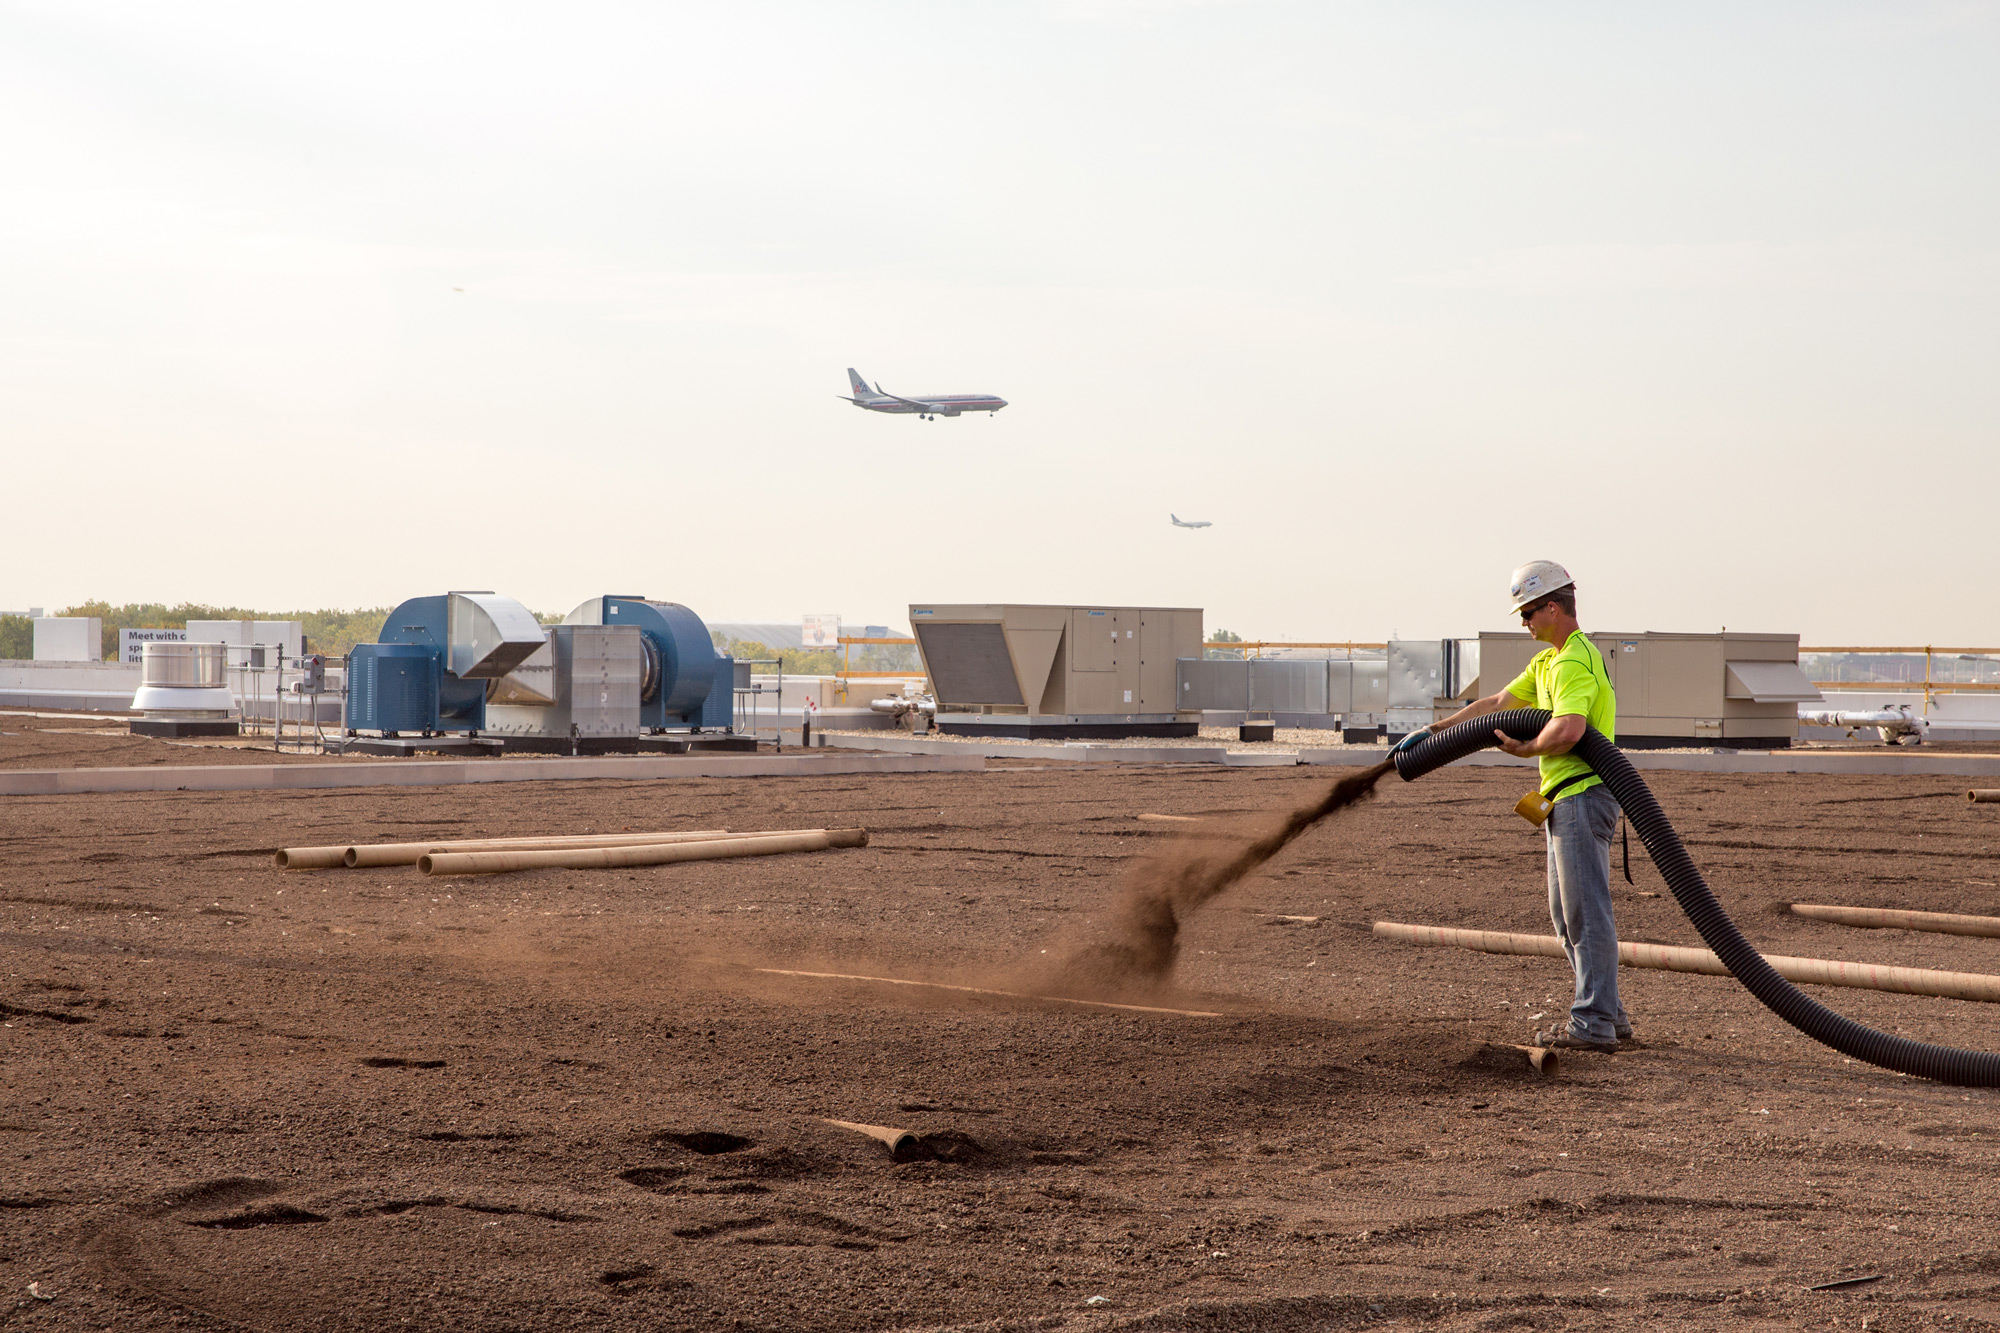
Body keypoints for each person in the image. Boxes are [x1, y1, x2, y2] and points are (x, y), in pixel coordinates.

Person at [1392, 560, 1629, 1054]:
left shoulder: (1572, 662)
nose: (1523, 623)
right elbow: (1498, 702)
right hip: (1560, 798)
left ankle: (1594, 1022)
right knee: (1566, 916)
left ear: (1553, 606)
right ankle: (1608, 1014)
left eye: (1527, 612)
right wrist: (1437, 732)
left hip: (1583, 794)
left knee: (1585, 913)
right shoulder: (1547, 662)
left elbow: (1568, 730)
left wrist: (1526, 749)